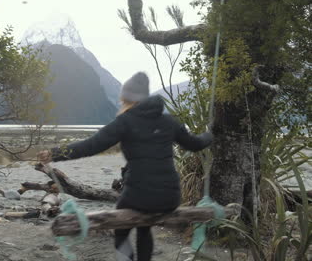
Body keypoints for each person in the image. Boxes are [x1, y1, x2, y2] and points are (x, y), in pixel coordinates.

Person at [37, 72, 213, 261]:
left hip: (140, 195)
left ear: (129, 98)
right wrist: (211, 133)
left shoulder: (125, 122)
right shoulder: (168, 121)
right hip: (170, 197)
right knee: (144, 227)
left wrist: (54, 153)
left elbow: (91, 146)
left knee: (121, 231)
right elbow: (195, 144)